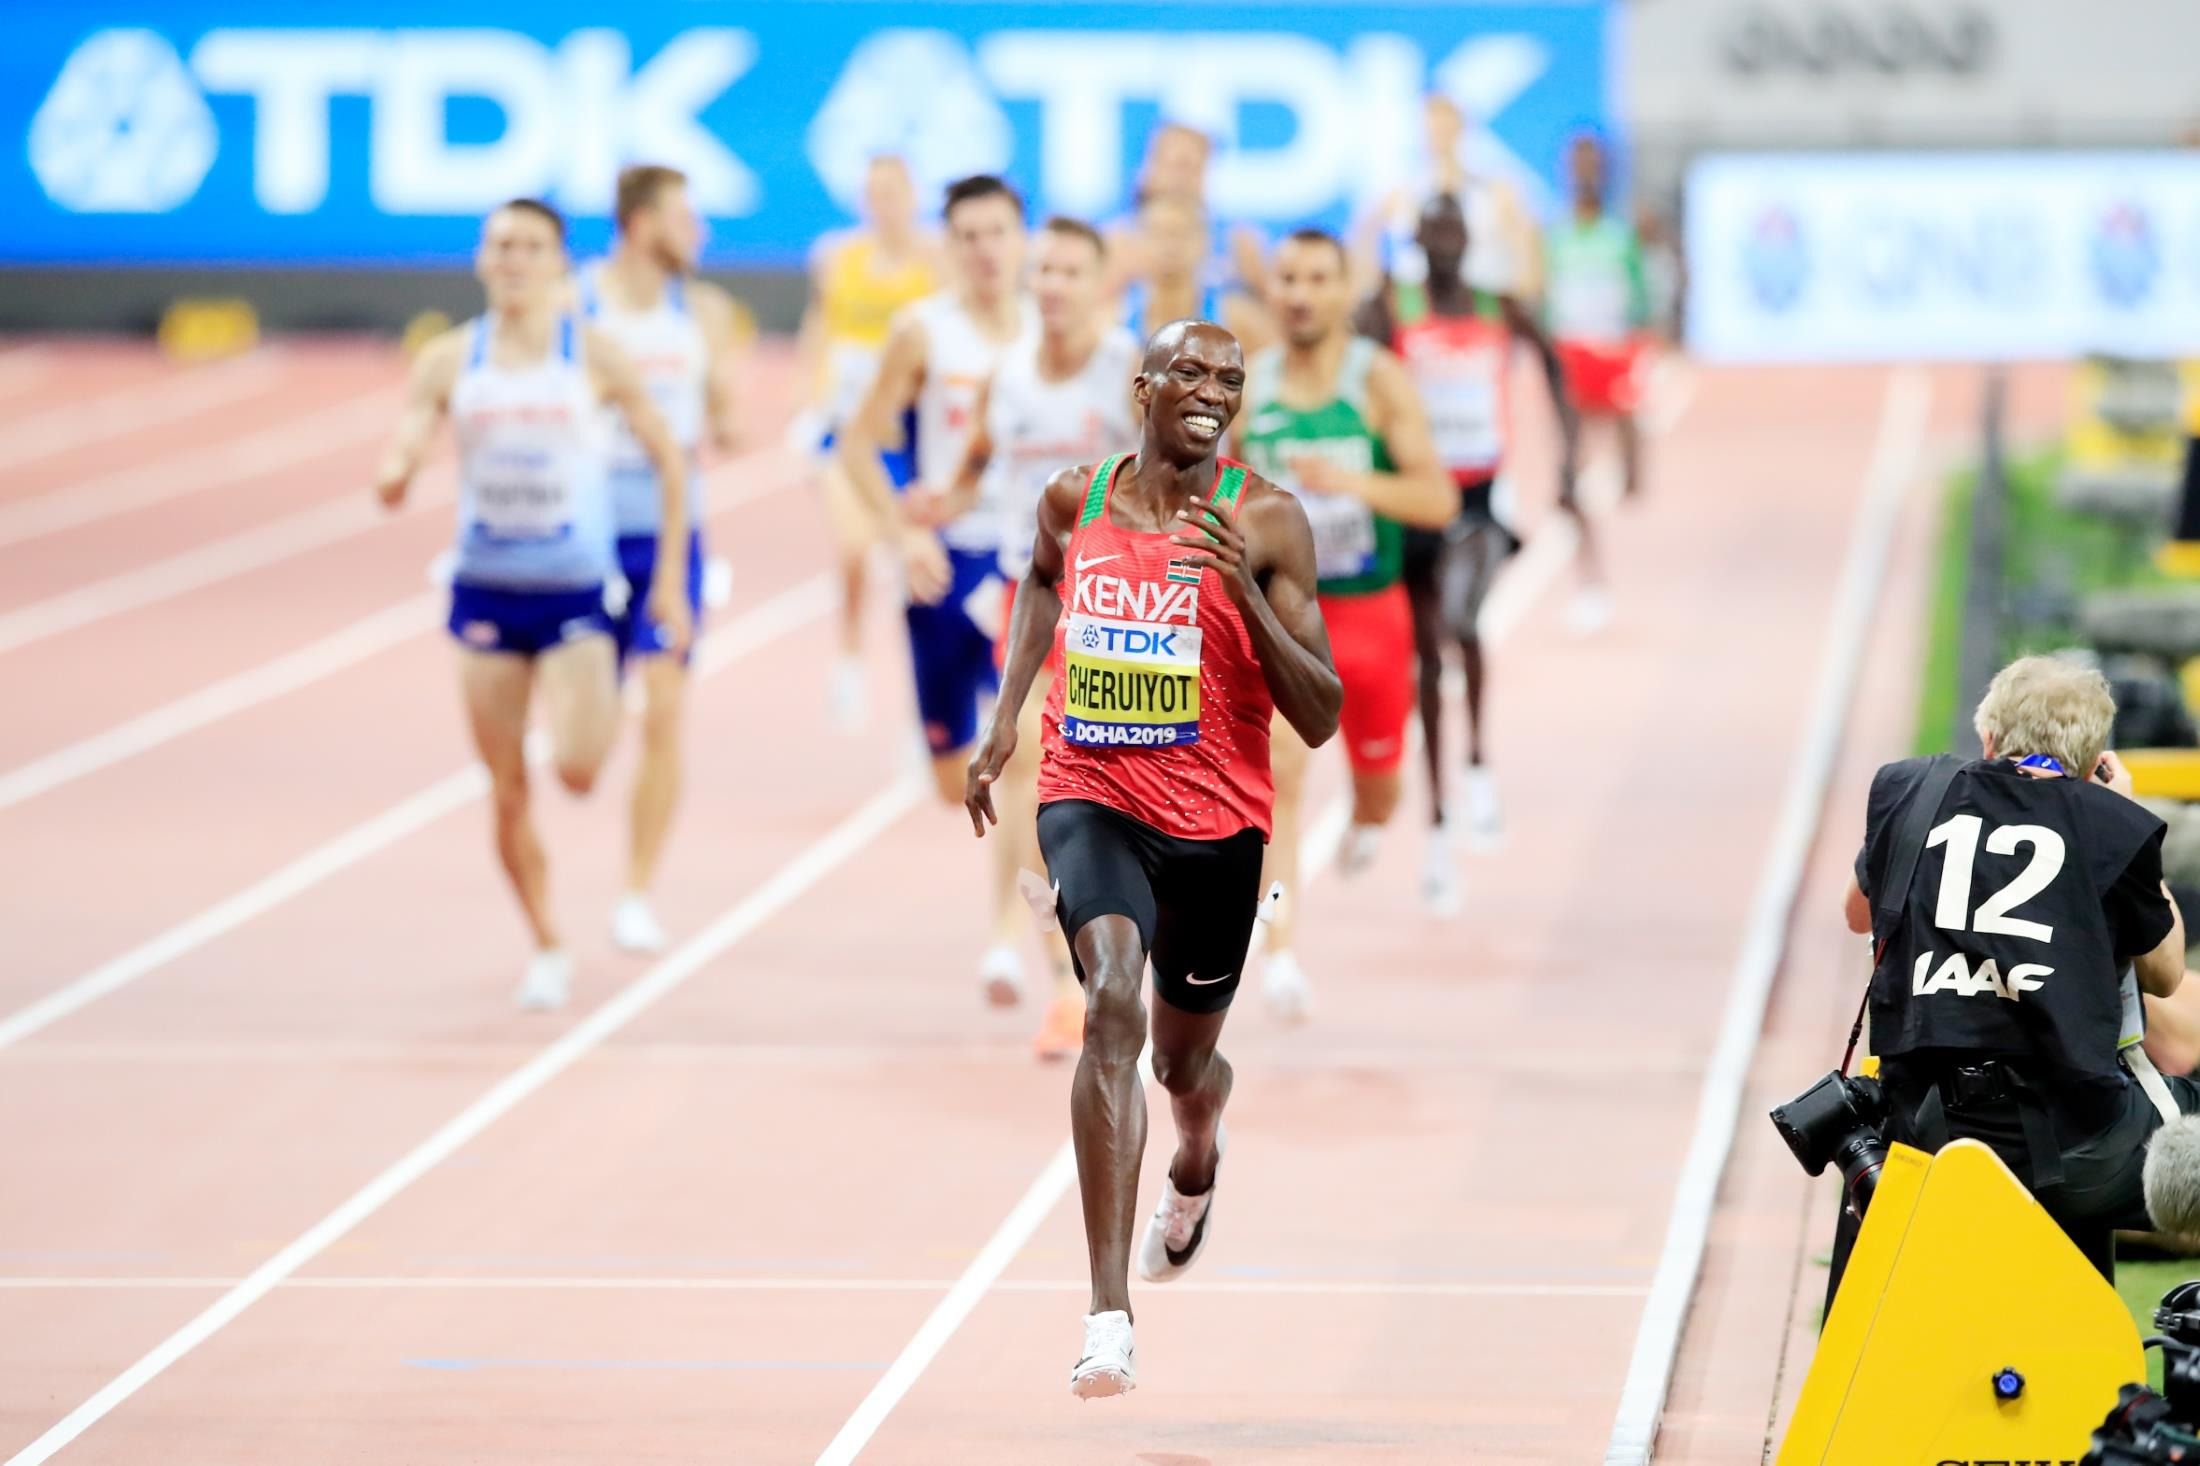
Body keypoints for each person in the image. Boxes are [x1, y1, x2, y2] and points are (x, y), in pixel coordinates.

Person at [964, 319, 1341, 1398]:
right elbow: (1041, 581)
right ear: (1143, 386)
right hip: (1092, 792)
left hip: (1217, 824)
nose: (1212, 389)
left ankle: (1199, 1147)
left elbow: (1317, 713)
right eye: (1191, 370)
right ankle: (1106, 1314)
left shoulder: (1265, 518)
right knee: (1112, 1007)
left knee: (1179, 1063)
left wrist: (1247, 600)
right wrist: (1006, 720)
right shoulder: (1072, 498)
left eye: (1231, 377)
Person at [373, 199, 690, 1009]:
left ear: (558, 265)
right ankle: (548, 941)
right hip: (484, 591)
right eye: (502, 245)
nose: (514, 259)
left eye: (532, 247)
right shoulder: (450, 359)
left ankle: (582, 705)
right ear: (483, 259)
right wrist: (400, 465)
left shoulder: (594, 355)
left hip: (575, 592)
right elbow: (410, 430)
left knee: (580, 771)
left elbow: (670, 462)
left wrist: (667, 585)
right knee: (507, 786)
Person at [1842, 656, 2199, 1280]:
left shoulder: (1914, 792)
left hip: (1922, 1135)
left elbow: (1855, 913)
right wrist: (2130, 819)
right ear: (2095, 763)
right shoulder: (2110, 822)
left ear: (1987, 737)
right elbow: (2165, 972)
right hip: (2077, 1147)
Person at [1235, 228, 1454, 1018]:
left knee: (1379, 794)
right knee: (1281, 781)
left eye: (1316, 279)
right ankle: (1282, 953)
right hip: (1283, 616)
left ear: (1342, 291)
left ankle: (1366, 822)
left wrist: (1355, 482)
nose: (1299, 293)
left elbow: (1438, 498)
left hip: (1370, 619)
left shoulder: (1377, 381)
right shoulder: (1249, 386)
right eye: (1287, 278)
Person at [937, 216, 1140, 1056]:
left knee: (1111, 788)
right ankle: (1047, 965)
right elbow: (981, 456)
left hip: (1127, 610)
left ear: (1099, 283)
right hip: (1039, 597)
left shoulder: (1131, 370)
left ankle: (1114, 947)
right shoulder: (1007, 376)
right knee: (1024, 771)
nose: (1051, 284)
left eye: (1069, 270)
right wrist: (935, 512)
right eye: (1043, 270)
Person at [838, 174, 1034, 998]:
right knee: (957, 771)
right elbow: (857, 444)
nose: (986, 250)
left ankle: (1010, 941)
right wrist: (903, 531)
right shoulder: (925, 333)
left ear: (1021, 240)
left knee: (1032, 755)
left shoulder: (1058, 333)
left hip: (1031, 562)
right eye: (969, 236)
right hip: (943, 565)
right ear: (947, 248)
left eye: (998, 232)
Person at [1357, 194, 1580, 909]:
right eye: (1435, 230)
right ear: (1419, 238)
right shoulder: (1396, 306)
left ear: (1469, 240)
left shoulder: (1497, 307)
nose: (1447, 242)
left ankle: (1478, 764)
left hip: (1482, 500)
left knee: (1460, 623)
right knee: (1427, 646)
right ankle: (1438, 822)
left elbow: (1551, 362)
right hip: (1420, 497)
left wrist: (1569, 460)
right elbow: (1344, 350)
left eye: (1457, 231)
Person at [575, 163, 743, 954]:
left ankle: (635, 891)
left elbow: (724, 416)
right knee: (584, 750)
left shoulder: (701, 312)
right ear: (643, 225)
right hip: (582, 535)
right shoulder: (577, 304)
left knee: (667, 714)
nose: (699, 231)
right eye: (685, 216)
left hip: (673, 534)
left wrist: (723, 415)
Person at [794, 154, 938, 727]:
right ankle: (850, 658)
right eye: (873, 192)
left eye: (894, 192)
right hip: (843, 431)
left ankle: (919, 702)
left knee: (914, 567)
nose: (885, 203)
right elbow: (818, 327)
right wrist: (807, 400)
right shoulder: (837, 258)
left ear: (912, 197)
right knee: (854, 547)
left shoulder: (937, 263)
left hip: (906, 436)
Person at [1547, 133, 1653, 505]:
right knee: (1570, 415)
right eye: (1578, 164)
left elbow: (1639, 285)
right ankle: (1568, 477)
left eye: (1592, 164)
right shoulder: (1557, 234)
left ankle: (1632, 479)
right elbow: (1546, 287)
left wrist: (1641, 328)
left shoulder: (1621, 234)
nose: (1585, 174)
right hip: (1570, 337)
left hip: (1614, 337)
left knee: (1624, 409)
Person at [1117, 191, 1270, 355]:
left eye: (1180, 234)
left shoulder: (1240, 321)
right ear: (1138, 242)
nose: (1169, 246)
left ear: (1204, 242)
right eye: (1158, 234)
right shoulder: (1114, 322)